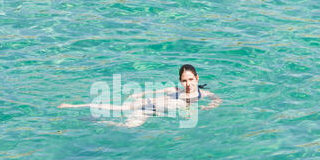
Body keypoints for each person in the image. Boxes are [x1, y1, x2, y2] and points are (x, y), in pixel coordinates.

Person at [57, 64, 222, 127]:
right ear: (180, 81)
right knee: (119, 108)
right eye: (185, 80)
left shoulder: (203, 94)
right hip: (148, 104)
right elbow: (156, 91)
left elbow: (218, 100)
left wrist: (210, 106)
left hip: (149, 112)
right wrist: (140, 94)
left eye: (191, 79)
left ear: (197, 78)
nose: (188, 84)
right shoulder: (175, 90)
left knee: (130, 126)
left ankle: (97, 120)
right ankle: (77, 106)